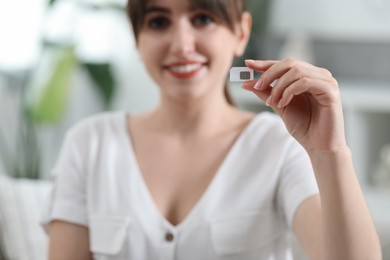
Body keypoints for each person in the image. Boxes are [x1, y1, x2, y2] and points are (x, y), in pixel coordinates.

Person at [44, 0, 382, 259]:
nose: (181, 44)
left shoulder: (280, 145)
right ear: (137, 39)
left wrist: (330, 151)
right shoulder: (89, 144)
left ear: (241, 32)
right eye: (158, 22)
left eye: (203, 18)